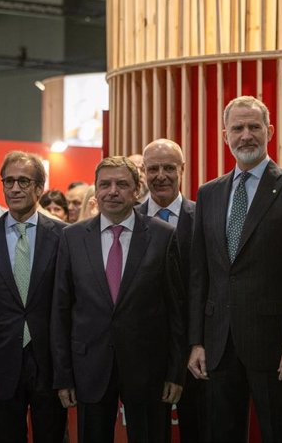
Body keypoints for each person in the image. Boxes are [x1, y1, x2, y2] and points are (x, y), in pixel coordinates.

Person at [188, 95, 282, 443]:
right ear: (225, 135)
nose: (246, 135)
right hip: (218, 345)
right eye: (237, 128)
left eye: (253, 127)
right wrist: (197, 341)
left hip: (274, 346)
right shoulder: (208, 193)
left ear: (270, 131)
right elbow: (200, 274)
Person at [51, 156, 186, 443]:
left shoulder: (163, 236)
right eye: (105, 185)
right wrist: (63, 375)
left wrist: (176, 372)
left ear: (137, 190)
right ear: (96, 191)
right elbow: (61, 310)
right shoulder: (72, 238)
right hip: (89, 367)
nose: (113, 191)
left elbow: (176, 308)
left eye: (122, 184)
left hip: (148, 370)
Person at [0, 151, 67, 443]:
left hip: (49, 362)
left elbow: (69, 306)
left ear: (39, 187)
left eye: (24, 181)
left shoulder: (64, 236)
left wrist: (67, 370)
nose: (15, 188)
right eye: (8, 181)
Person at [138, 138, 204, 442]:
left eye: (168, 167)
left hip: (197, 350)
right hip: (145, 351)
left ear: (182, 169)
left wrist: (198, 342)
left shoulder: (205, 216)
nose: (160, 175)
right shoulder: (130, 220)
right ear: (143, 172)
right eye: (153, 168)